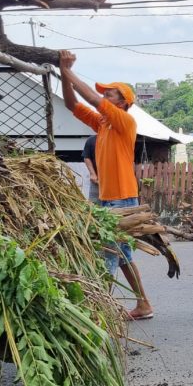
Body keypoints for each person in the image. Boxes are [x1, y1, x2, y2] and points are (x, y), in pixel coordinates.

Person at [58, 50, 153, 321]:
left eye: (110, 94)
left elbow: (90, 97)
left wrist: (67, 69)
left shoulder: (125, 121)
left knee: (108, 253)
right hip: (109, 198)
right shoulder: (103, 124)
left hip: (122, 199)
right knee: (121, 255)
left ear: (122, 103)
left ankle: (98, 313)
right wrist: (64, 74)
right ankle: (143, 304)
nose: (105, 97)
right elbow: (70, 103)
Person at [82, 134, 99, 203]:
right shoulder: (91, 140)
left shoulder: (116, 141)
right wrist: (92, 174)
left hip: (112, 183)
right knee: (94, 205)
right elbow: (86, 157)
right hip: (97, 181)